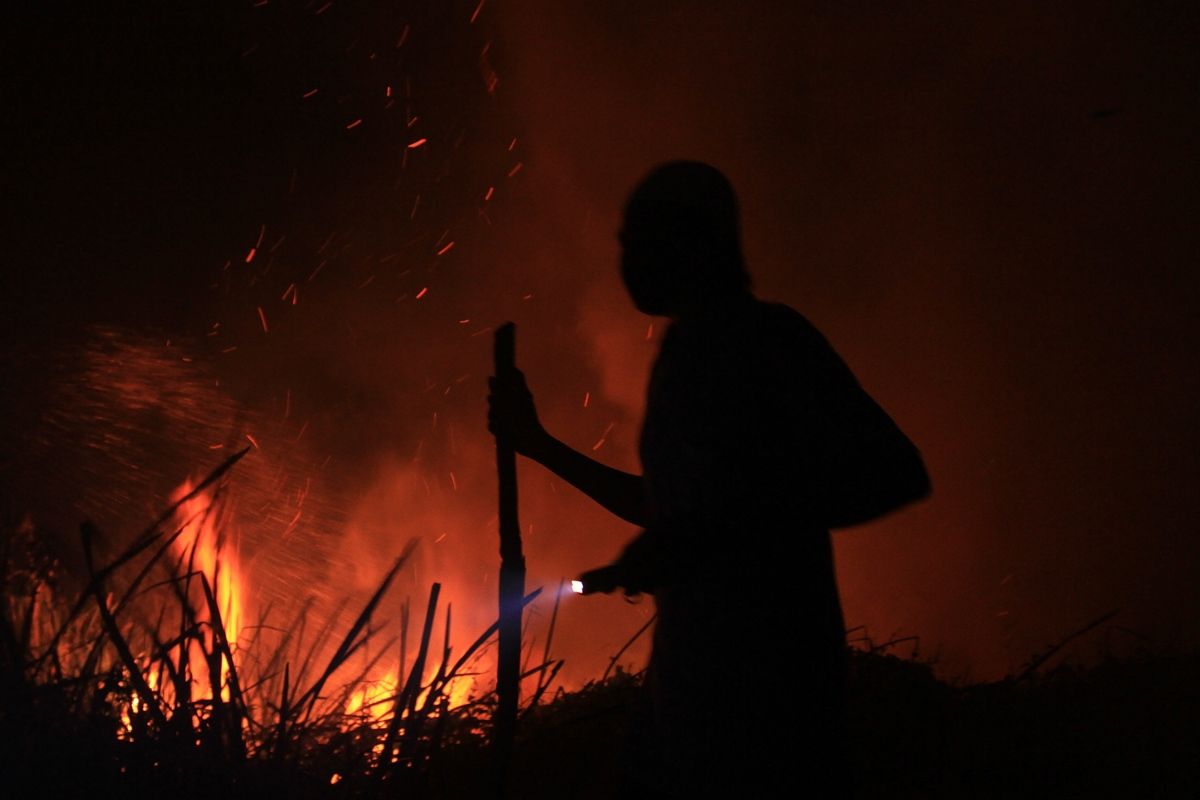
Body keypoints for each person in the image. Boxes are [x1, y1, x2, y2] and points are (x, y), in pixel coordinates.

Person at [488, 161, 930, 796]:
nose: (626, 258)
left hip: (769, 698)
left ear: (694, 244)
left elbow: (894, 472)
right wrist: (538, 446)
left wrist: (724, 533)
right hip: (688, 692)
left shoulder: (770, 343)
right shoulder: (683, 359)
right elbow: (675, 514)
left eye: (639, 239)